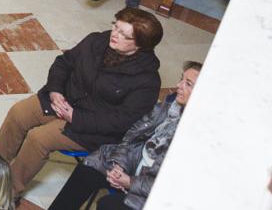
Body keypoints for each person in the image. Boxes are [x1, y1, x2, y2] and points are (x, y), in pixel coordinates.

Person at [0, 9, 163, 194]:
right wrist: (55, 91)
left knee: (38, 139)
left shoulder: (147, 80)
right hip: (62, 100)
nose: (114, 34)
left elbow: (121, 121)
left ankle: (8, 192)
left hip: (90, 128)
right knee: (19, 113)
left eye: (124, 34)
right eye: (115, 26)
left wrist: (75, 116)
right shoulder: (96, 41)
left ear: (141, 45)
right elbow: (63, 63)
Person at [48, 62, 200, 210]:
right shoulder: (168, 105)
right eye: (182, 79)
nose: (179, 85)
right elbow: (134, 135)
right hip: (133, 163)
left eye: (188, 84)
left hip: (151, 189)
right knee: (87, 170)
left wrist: (131, 182)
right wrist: (120, 164)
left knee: (108, 205)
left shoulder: (197, 135)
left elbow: (171, 185)